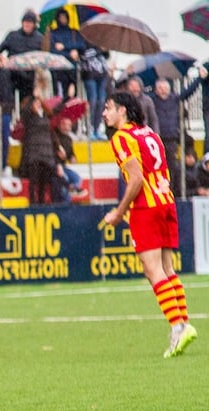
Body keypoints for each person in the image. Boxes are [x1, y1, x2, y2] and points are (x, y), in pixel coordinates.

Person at [101, 91, 197, 358]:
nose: (104, 113)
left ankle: (177, 327)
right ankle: (183, 324)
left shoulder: (122, 138)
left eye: (108, 108)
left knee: (152, 270)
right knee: (167, 268)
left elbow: (136, 179)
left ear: (122, 111)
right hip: (166, 200)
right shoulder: (149, 133)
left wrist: (119, 212)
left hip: (146, 206)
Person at [18, 97, 58, 205]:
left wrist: (57, 147)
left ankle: (41, 201)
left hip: (46, 152)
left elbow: (52, 131)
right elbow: (23, 111)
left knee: (43, 181)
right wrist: (32, 99)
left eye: (39, 103)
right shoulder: (29, 117)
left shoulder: (46, 115)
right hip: (34, 151)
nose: (37, 105)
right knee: (33, 179)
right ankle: (32, 201)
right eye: (35, 103)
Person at [48, 9, 84, 97]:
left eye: (64, 17)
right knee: (60, 95)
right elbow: (53, 51)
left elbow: (81, 45)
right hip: (58, 69)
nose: (63, 19)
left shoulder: (74, 32)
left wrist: (65, 46)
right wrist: (69, 54)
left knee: (72, 95)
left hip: (72, 68)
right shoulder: (54, 34)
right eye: (61, 17)